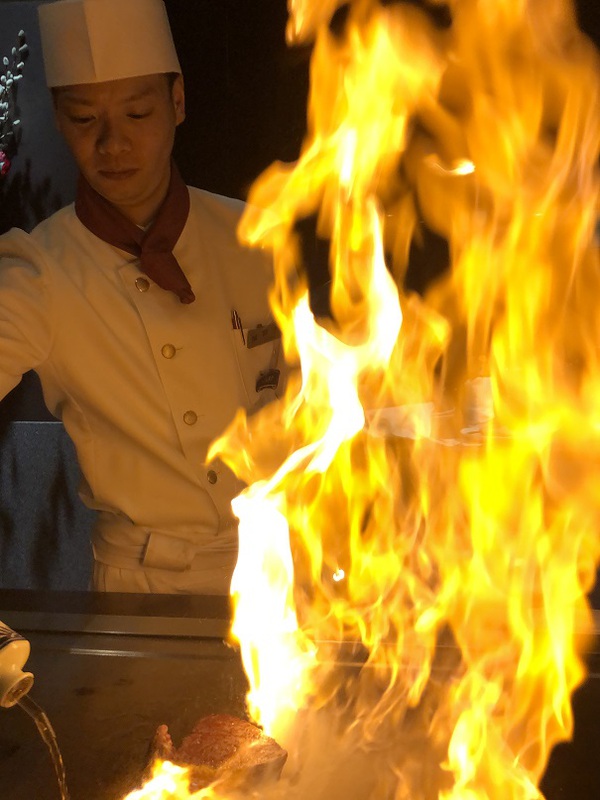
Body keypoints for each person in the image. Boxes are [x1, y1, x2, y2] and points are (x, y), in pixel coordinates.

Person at [0, 0, 284, 594]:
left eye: (136, 112)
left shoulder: (255, 236)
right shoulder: (39, 272)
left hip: (278, 570)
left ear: (177, 102)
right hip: (145, 587)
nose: (112, 143)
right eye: (83, 119)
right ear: (56, 117)